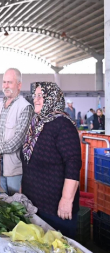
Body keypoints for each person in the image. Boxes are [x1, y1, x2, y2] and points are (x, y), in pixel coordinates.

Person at [22, 82, 81, 238]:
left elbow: (73, 163)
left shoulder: (63, 124)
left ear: (53, 98)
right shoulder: (37, 123)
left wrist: (67, 199)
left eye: (41, 96)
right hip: (34, 204)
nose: (36, 99)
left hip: (55, 208)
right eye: (35, 95)